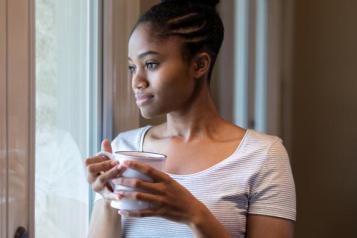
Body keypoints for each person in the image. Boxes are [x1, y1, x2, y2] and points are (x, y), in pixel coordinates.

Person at [85, 0, 296, 237]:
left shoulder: (263, 156)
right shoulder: (124, 149)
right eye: (132, 67)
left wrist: (193, 214)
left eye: (151, 64)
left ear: (199, 65)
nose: (137, 81)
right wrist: (107, 198)